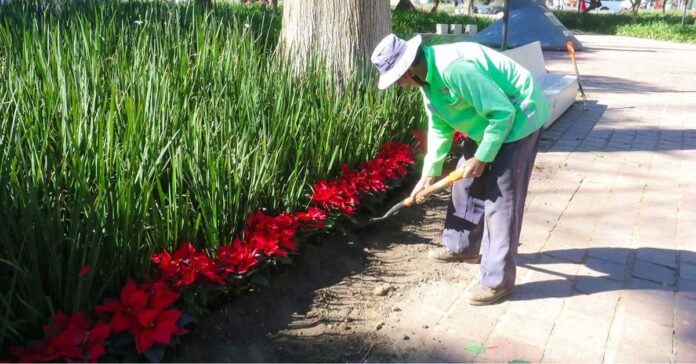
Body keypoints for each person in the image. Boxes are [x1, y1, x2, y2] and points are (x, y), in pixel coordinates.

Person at [370, 34, 551, 305]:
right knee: (464, 182)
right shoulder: (426, 79)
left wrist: (482, 157)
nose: (398, 85)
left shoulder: (453, 68)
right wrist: (429, 173)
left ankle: (497, 280)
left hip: (518, 115)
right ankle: (461, 246)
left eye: (396, 79)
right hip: (485, 122)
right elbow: (440, 126)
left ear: (407, 70)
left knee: (501, 200)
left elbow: (502, 113)